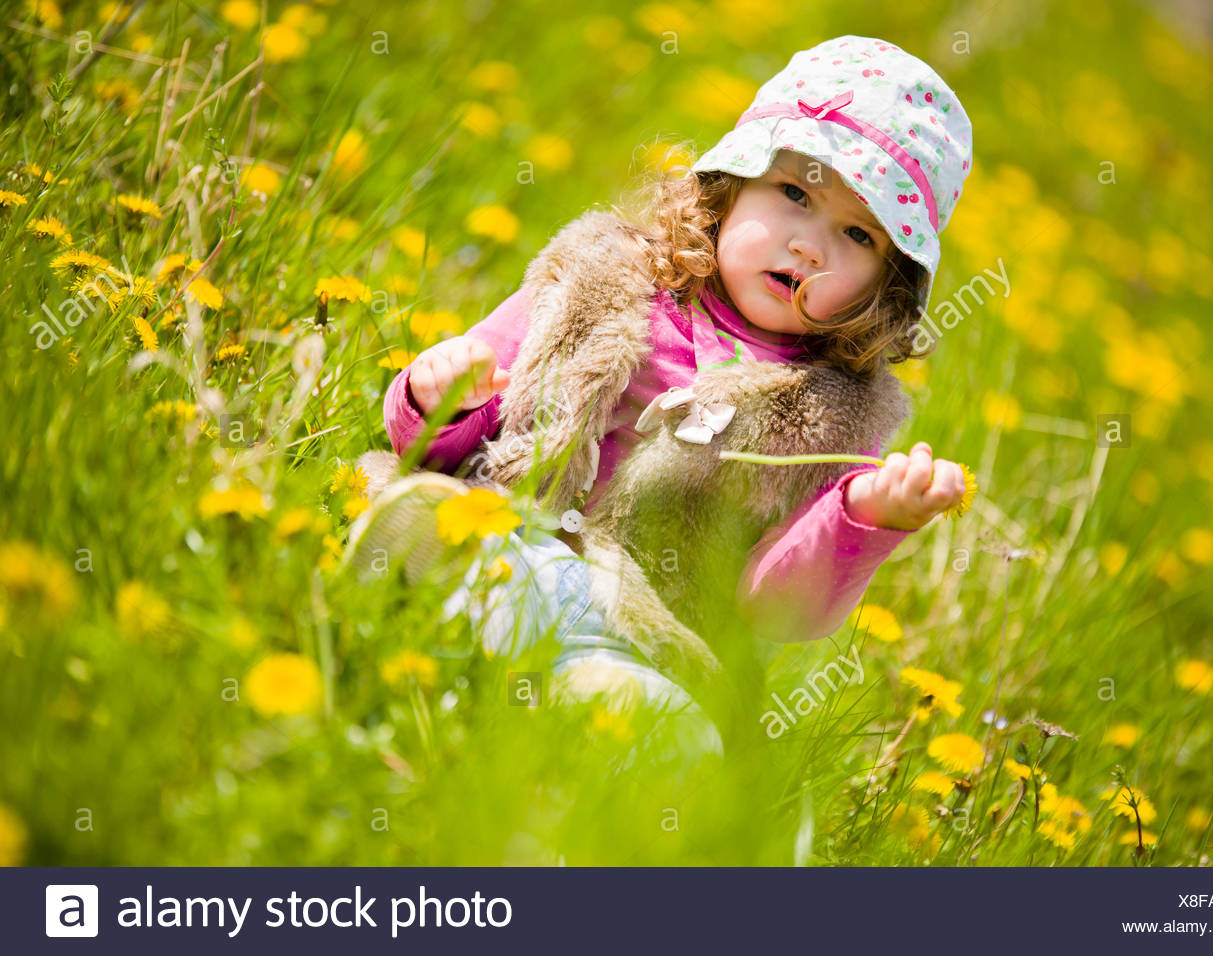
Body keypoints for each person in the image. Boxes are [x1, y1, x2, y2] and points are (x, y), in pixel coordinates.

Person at [344, 36, 974, 762]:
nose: (809, 247)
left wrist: (863, 519)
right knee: (476, 543)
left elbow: (773, 603)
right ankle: (442, 607)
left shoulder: (832, 413)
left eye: (857, 233)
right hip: (503, 528)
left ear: (883, 287)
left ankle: (587, 704)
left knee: (657, 709)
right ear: (730, 184)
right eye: (796, 193)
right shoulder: (601, 279)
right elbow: (449, 434)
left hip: (646, 633)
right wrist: (442, 397)